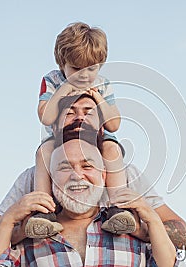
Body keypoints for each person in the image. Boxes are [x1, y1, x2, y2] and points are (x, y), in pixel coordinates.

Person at [0, 94, 186, 257]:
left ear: (102, 126)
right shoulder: (31, 180)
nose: (79, 118)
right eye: (69, 112)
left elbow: (183, 238)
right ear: (54, 126)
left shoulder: (125, 174)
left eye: (88, 112)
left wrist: (141, 228)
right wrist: (20, 227)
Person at [0, 131, 179, 266]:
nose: (76, 175)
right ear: (51, 180)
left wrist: (152, 219)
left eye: (87, 166)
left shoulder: (130, 229)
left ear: (104, 176)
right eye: (65, 167)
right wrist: (9, 219)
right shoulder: (31, 239)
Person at [31, 21, 134, 236]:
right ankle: (43, 211)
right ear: (62, 64)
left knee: (112, 150)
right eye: (76, 69)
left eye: (91, 69)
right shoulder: (52, 80)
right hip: (62, 138)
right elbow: (46, 117)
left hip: (94, 138)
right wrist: (66, 88)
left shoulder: (103, 84)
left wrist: (98, 96)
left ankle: (118, 208)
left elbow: (114, 125)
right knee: (43, 152)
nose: (84, 76)